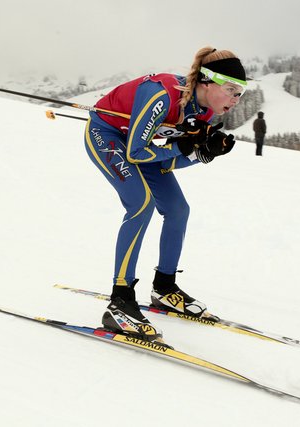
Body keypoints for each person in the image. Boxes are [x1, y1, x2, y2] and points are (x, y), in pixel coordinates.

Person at [83, 46, 247, 342]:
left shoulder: (205, 111)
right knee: (141, 204)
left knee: (178, 209)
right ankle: (120, 300)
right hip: (108, 136)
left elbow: (169, 161)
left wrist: (203, 153)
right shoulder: (161, 95)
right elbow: (134, 151)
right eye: (231, 89)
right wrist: (183, 146)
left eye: (241, 93)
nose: (235, 100)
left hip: (143, 150)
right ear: (207, 82)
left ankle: (164, 287)